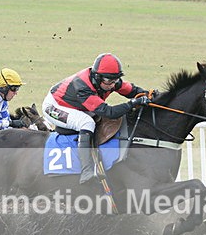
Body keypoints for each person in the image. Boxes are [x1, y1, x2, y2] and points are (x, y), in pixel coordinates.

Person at [42, 53, 150, 183]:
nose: (112, 85)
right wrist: (131, 104)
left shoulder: (110, 80)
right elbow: (108, 112)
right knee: (87, 123)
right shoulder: (82, 87)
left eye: (115, 80)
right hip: (55, 106)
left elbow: (133, 91)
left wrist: (151, 96)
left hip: (76, 104)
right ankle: (87, 170)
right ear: (98, 77)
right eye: (109, 81)